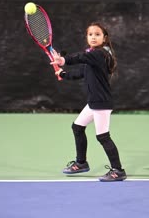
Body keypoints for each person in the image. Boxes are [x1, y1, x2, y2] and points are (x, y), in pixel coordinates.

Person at [50, 22, 127, 182]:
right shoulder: (93, 55)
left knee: (103, 137)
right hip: (94, 102)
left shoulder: (100, 54)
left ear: (104, 38)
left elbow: (80, 57)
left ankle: (118, 170)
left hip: (101, 103)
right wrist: (63, 74)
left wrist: (63, 60)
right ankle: (81, 163)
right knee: (77, 127)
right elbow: (81, 72)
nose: (93, 37)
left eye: (97, 34)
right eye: (90, 34)